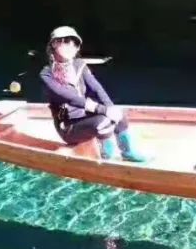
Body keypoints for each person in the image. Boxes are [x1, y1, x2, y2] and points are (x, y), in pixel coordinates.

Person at [39, 26, 146, 162]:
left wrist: (110, 107)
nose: (71, 46)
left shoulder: (79, 65)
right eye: (66, 41)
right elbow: (70, 98)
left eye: (75, 43)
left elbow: (96, 88)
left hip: (85, 117)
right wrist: (102, 109)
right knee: (103, 122)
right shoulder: (46, 74)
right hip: (68, 126)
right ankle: (107, 159)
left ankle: (128, 153)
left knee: (119, 115)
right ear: (54, 44)